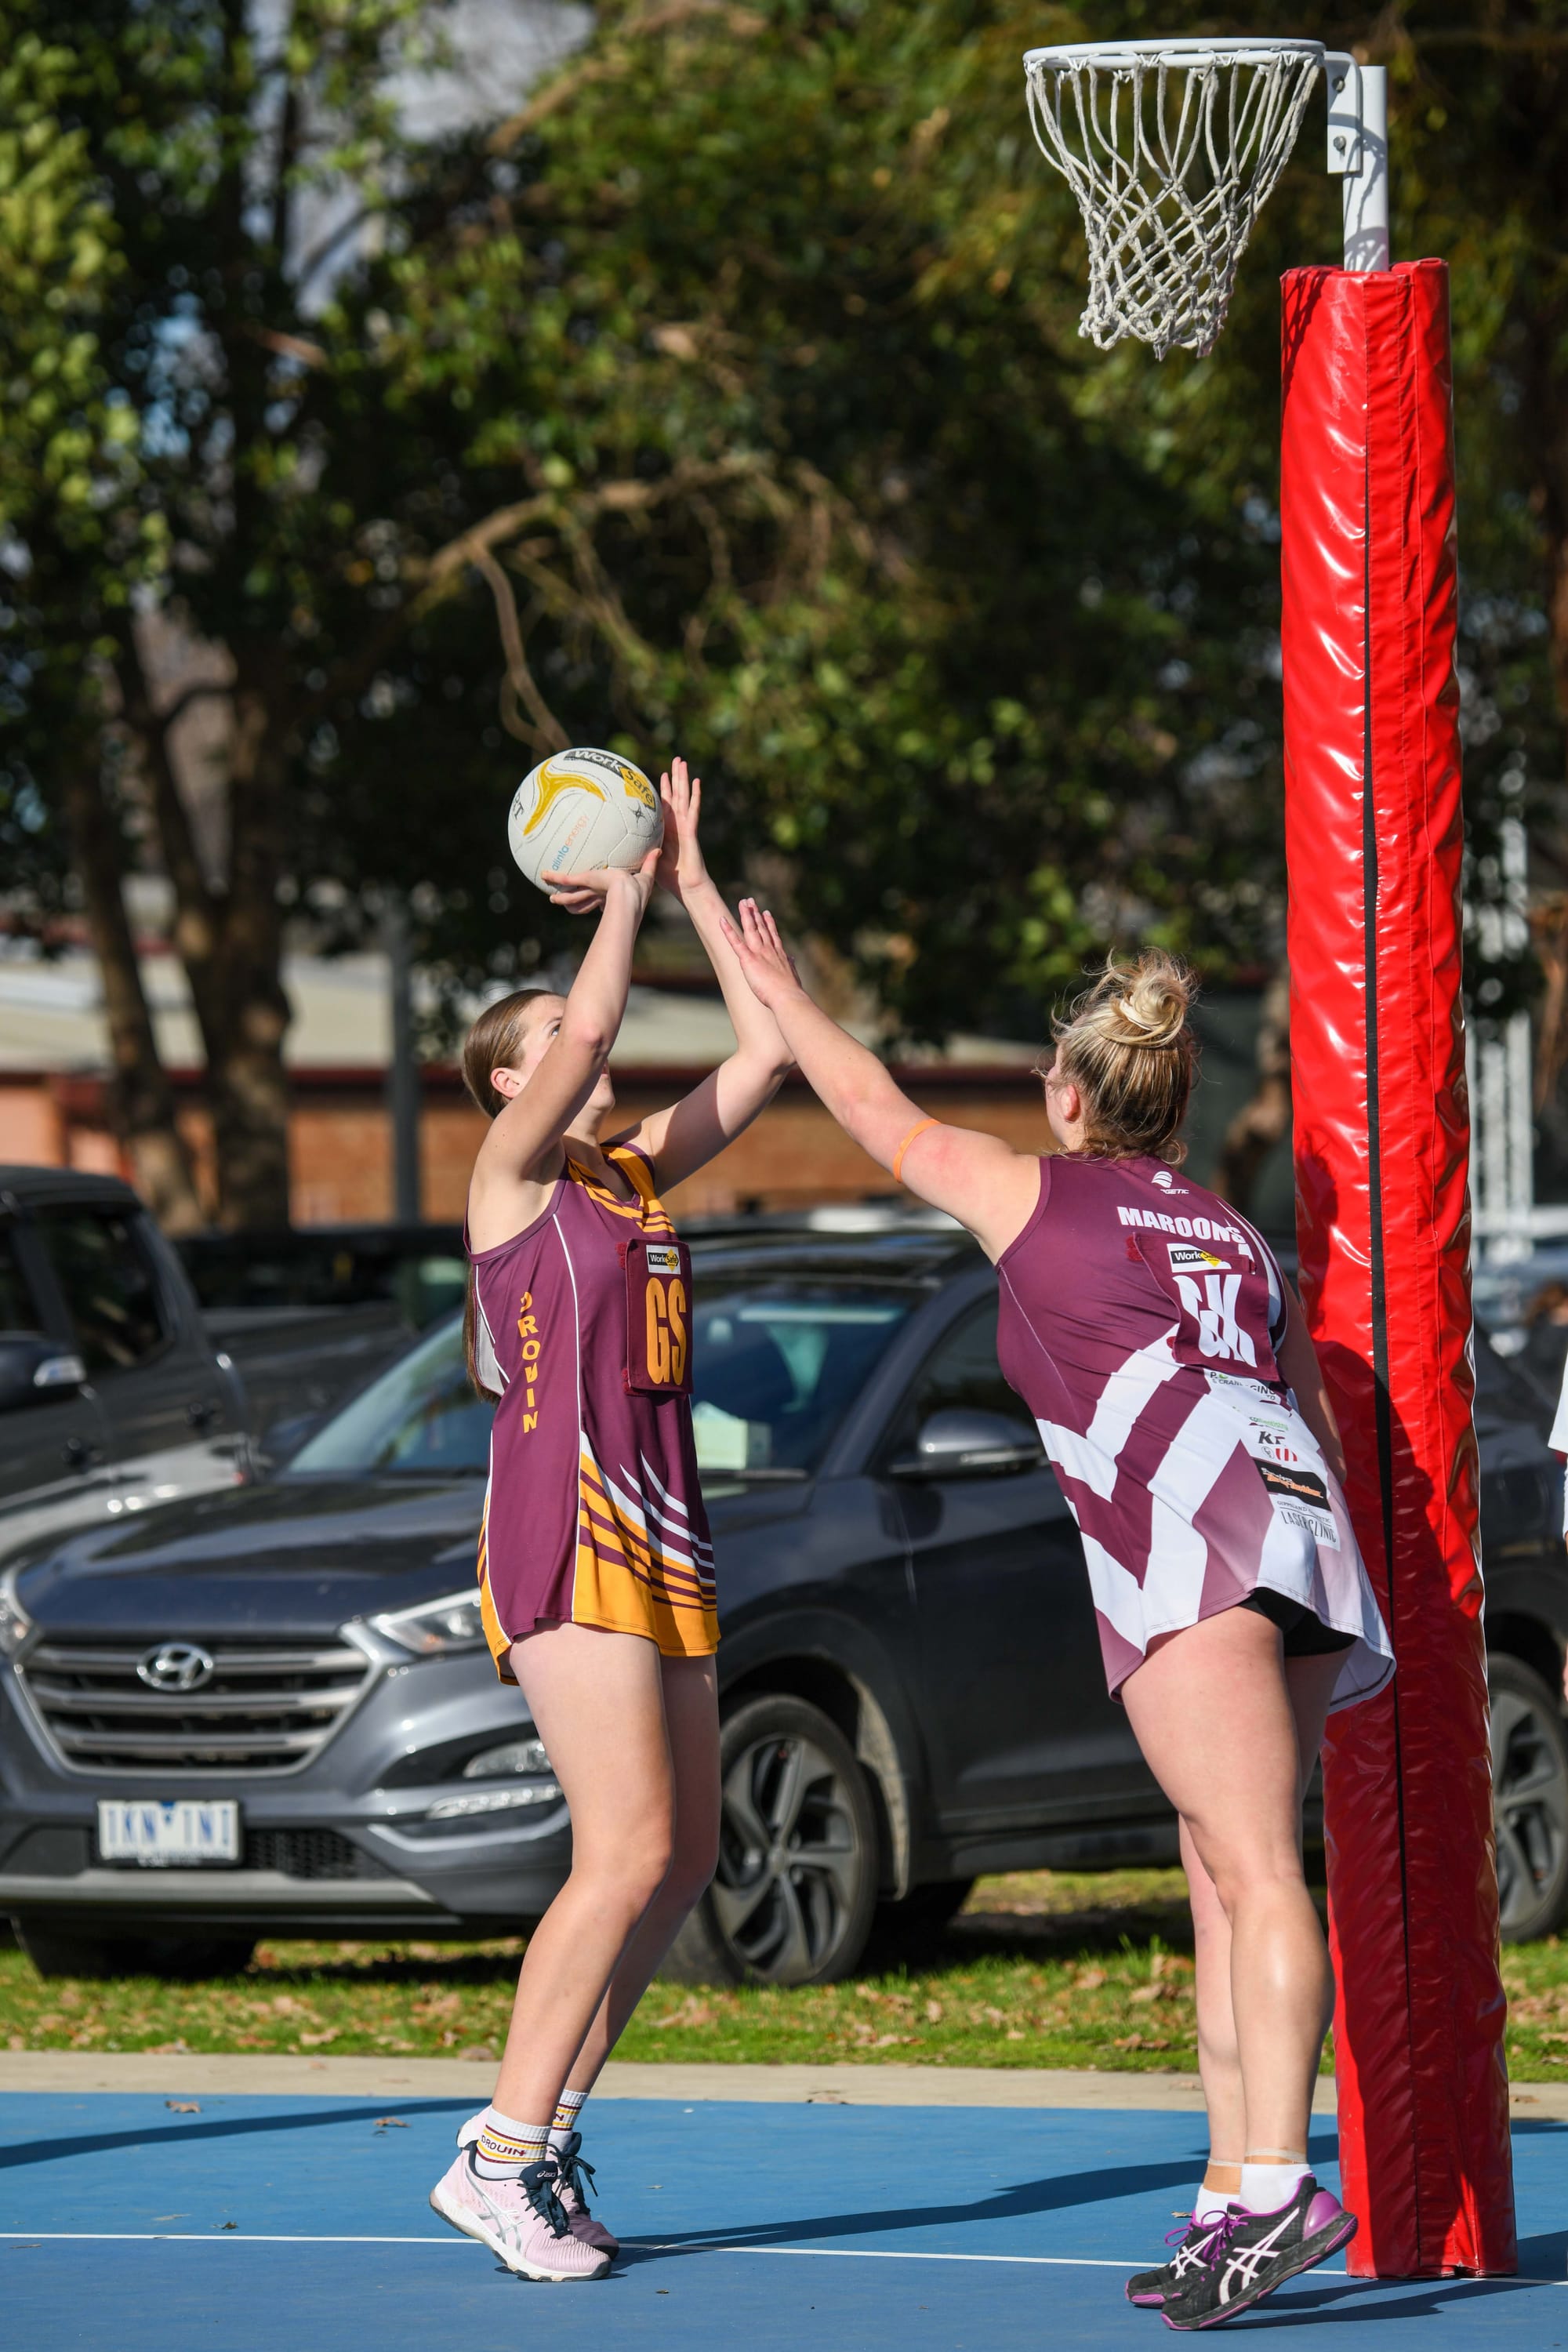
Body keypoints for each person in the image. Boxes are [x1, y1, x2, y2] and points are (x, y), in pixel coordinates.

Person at [721, 903, 1393, 2331]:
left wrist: (771, 978)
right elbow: (1312, 1402)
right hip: (1299, 1527)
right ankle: (1231, 2188)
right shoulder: (1230, 1229)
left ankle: (1279, 2183)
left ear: (1071, 1091)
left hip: (1196, 1539)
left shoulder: (1033, 1194)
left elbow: (863, 1100)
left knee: (1259, 1871)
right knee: (1224, 1871)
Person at [429, 761, 792, 2281]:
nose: (577, 1054)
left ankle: (550, 2128)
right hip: (560, 1530)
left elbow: (768, 1056)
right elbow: (590, 1024)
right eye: (546, 1051)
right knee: (623, 1842)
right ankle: (497, 2152)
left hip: (659, 1529)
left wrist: (695, 880)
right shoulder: (509, 1183)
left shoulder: (628, 1174)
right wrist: (624, 890)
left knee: (687, 1846)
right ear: (510, 1085)